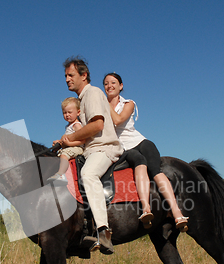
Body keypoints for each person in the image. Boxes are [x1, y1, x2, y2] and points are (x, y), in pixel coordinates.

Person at [103, 72, 189, 231]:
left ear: (121, 86)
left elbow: (118, 120)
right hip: (122, 148)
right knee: (138, 166)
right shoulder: (100, 106)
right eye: (106, 83)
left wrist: (105, 103)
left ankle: (177, 212)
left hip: (140, 143)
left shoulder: (128, 103)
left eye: (113, 83)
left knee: (155, 171)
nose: (109, 86)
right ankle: (146, 209)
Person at [59, 57, 123, 254]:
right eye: (65, 76)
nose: (67, 79)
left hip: (104, 148)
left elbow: (97, 125)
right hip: (89, 150)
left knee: (88, 174)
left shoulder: (93, 93)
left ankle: (103, 231)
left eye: (71, 75)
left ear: (84, 75)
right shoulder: (82, 99)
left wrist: (70, 139)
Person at [48, 97, 84, 185]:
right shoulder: (68, 126)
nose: (67, 115)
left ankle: (61, 174)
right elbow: (65, 139)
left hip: (78, 148)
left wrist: (69, 143)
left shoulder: (77, 125)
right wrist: (59, 142)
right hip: (71, 147)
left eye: (70, 112)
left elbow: (83, 140)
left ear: (78, 112)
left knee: (64, 155)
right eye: (64, 113)